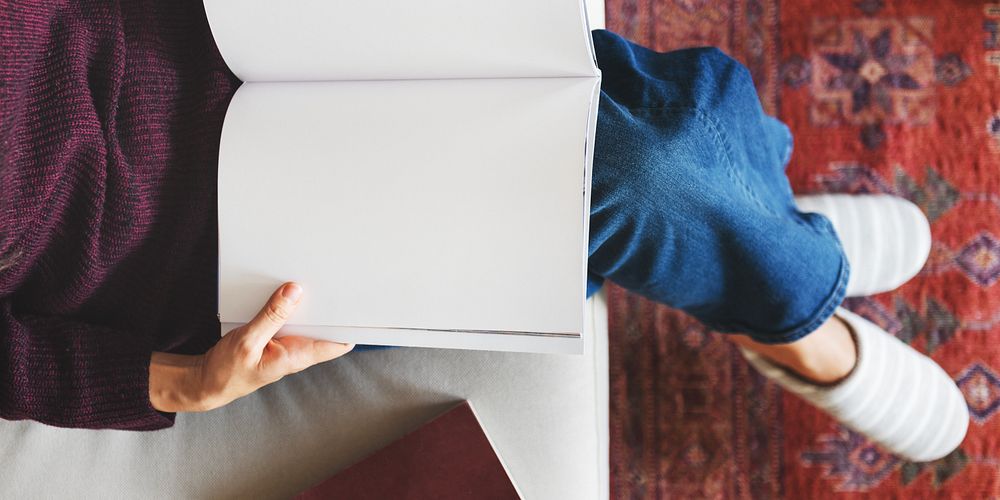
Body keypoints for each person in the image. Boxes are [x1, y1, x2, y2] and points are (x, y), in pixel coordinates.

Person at [0, 2, 967, 462]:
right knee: (654, 161)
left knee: (578, 103)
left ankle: (766, 243)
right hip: (204, 248)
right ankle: (802, 322)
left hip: (222, 33)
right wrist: (175, 383)